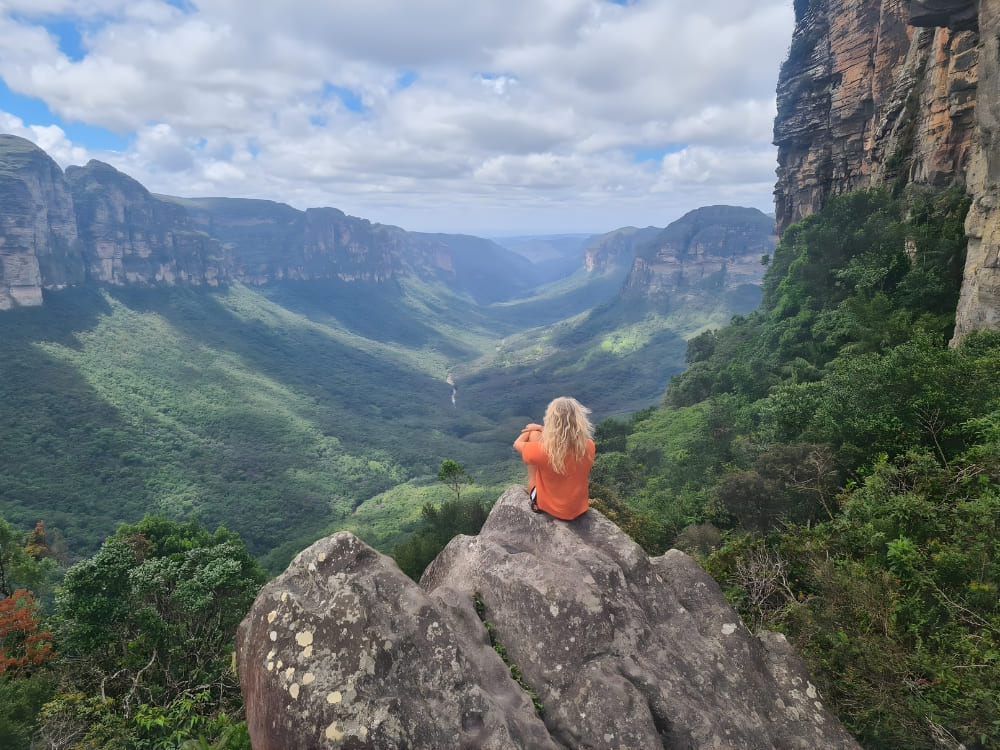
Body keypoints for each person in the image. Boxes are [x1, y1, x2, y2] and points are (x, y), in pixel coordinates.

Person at [512, 396, 595, 520]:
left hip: (552, 508)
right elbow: (565, 439)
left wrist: (529, 431)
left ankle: (536, 503)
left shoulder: (543, 451)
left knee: (534, 438)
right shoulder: (588, 446)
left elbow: (516, 444)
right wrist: (541, 428)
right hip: (578, 508)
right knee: (538, 438)